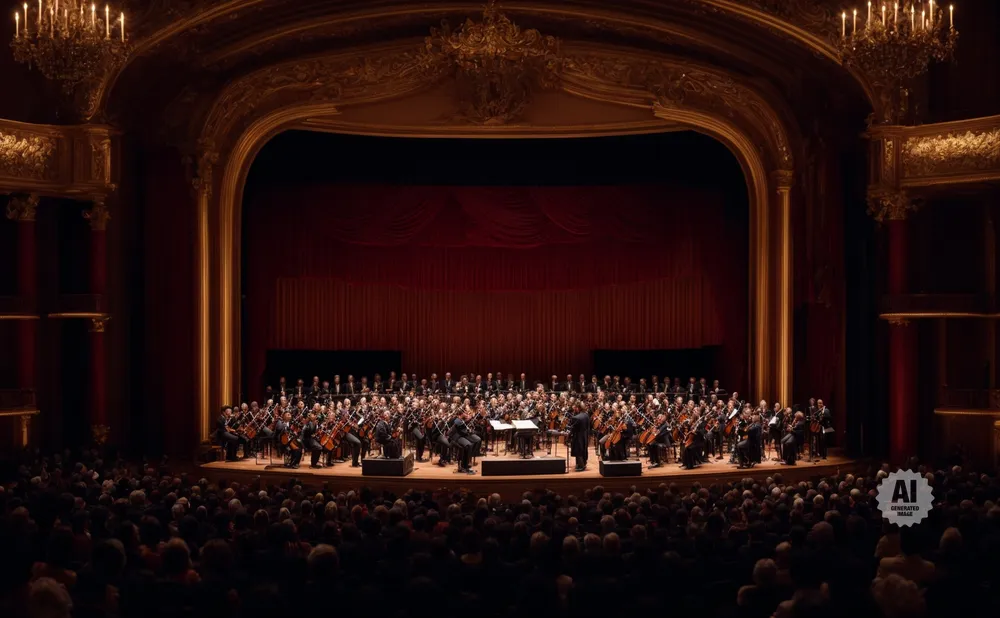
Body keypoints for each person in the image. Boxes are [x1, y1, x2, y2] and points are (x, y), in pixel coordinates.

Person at [569, 406, 590, 471]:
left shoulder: (576, 417)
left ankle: (581, 466)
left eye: (575, 408)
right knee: (584, 450)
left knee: (578, 450)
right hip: (585, 435)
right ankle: (583, 463)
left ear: (578, 408)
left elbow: (573, 428)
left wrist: (568, 429)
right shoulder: (586, 415)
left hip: (578, 436)